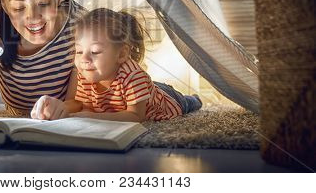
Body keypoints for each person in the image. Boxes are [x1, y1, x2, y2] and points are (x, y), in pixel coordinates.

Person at [32, 8, 202, 122]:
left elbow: (136, 116)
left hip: (166, 99)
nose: (84, 59)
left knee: (188, 103)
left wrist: (94, 118)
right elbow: (88, 107)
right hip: (143, 91)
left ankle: (194, 98)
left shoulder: (133, 76)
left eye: (95, 51)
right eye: (78, 51)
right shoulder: (86, 73)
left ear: (121, 54)